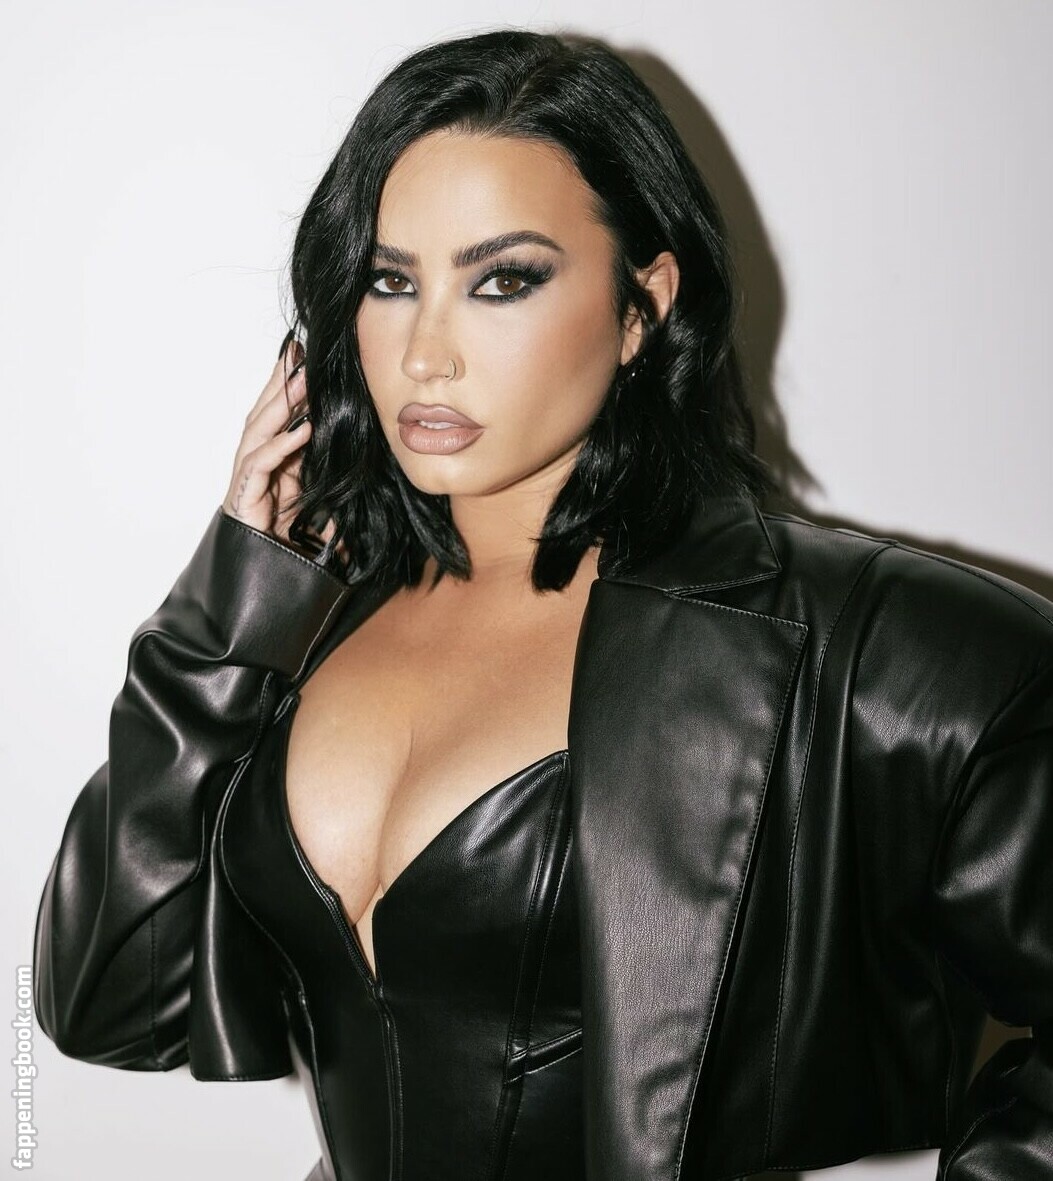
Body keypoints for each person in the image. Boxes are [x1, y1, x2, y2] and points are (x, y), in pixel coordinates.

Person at [31, 27, 1053, 1181]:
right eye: (391, 280)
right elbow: (109, 1000)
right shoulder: (304, 625)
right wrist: (230, 606)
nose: (425, 354)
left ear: (641, 306)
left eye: (502, 280)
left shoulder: (870, 648)